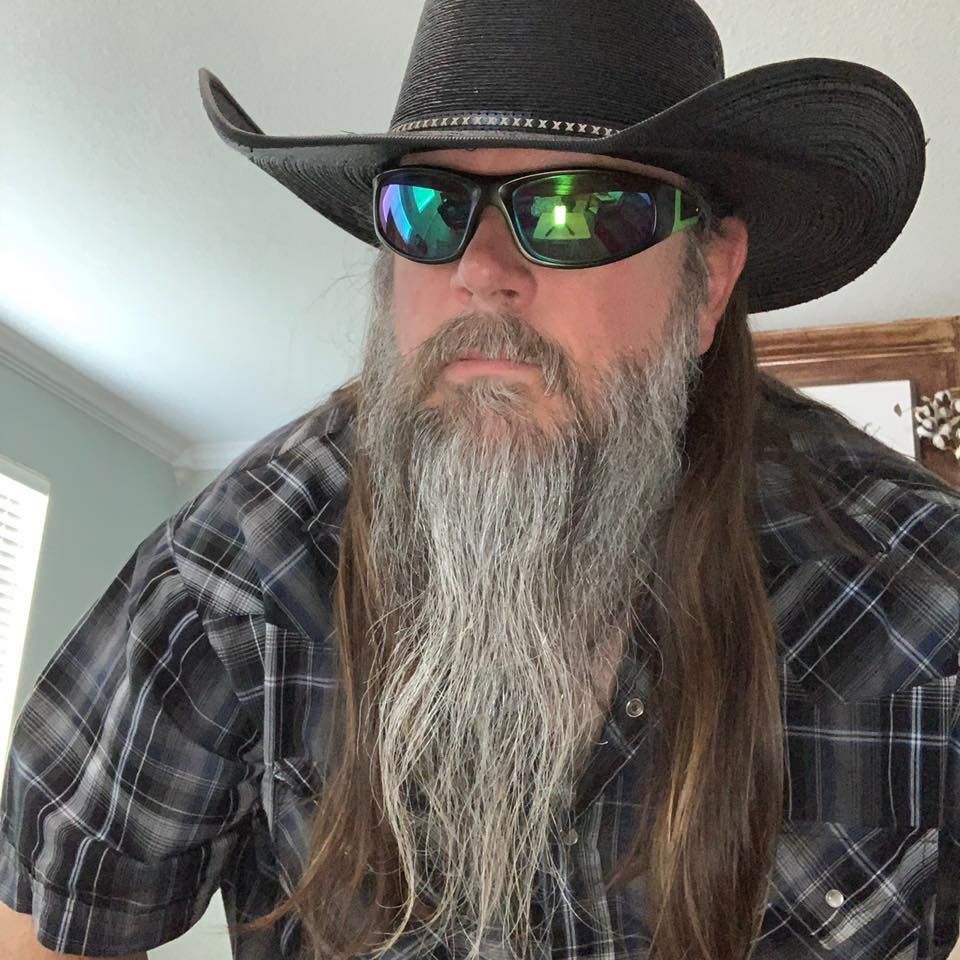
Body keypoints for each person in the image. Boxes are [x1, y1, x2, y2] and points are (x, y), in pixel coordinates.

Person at [1, 1, 958, 959]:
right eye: (428, 209)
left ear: (707, 279)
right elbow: (44, 929)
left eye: (573, 209)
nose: (481, 270)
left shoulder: (925, 596)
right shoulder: (240, 570)